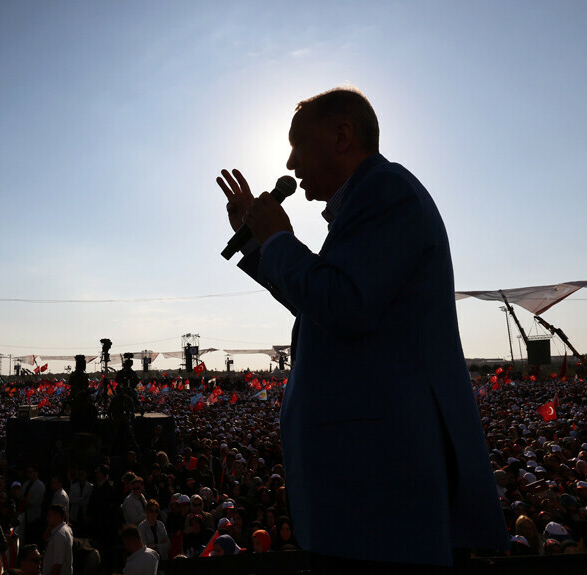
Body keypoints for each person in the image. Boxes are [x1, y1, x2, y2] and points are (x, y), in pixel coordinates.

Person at [216, 86, 508, 571]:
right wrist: (261, 246)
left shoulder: (387, 192)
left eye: (297, 145)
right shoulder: (363, 206)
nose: (290, 163)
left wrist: (278, 238)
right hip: (369, 497)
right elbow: (320, 307)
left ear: (342, 135)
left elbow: (342, 303)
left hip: (381, 492)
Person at [41, 505, 72, 575]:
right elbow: (45, 537)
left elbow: (58, 564)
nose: (47, 519)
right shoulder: (64, 530)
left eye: (49, 516)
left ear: (57, 516)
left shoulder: (59, 535)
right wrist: (50, 525)